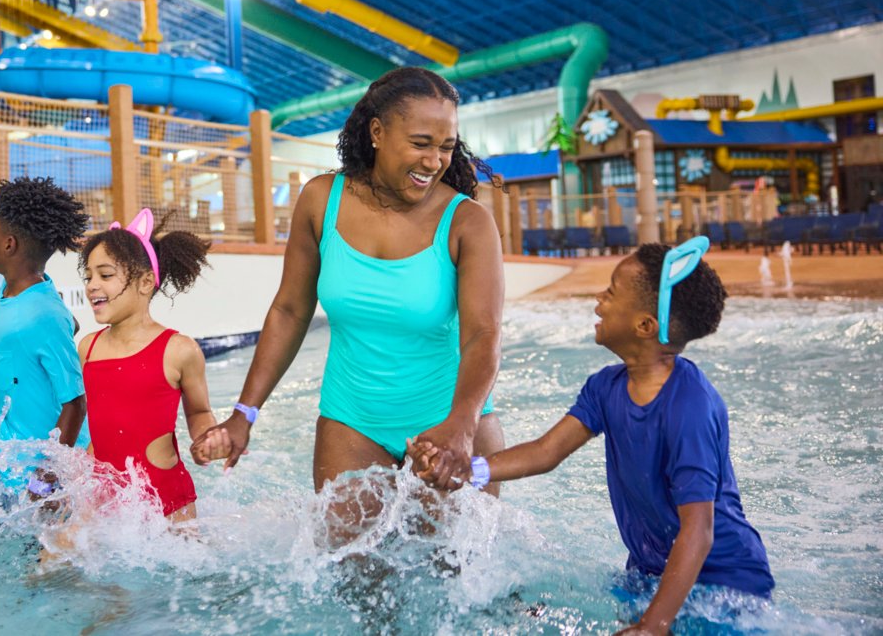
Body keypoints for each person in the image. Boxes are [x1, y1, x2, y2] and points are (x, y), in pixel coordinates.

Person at [191, 66, 506, 506]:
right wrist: (244, 413)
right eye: (420, 144)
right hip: (353, 420)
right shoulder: (322, 200)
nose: (434, 161)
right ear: (377, 132)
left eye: (446, 147)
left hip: (449, 422)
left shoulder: (468, 222)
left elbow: (484, 334)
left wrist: (463, 423)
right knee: (346, 572)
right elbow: (289, 311)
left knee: (452, 572)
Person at [458, 239, 773, 635]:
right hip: (648, 574)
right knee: (525, 607)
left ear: (645, 325)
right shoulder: (605, 387)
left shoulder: (689, 406)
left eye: (611, 291)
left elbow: (698, 529)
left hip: (725, 589)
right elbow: (545, 451)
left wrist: (653, 625)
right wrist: (470, 472)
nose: (598, 300)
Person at [77, 208, 225, 521]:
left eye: (105, 275)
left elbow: (198, 412)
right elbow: (102, 423)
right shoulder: (88, 348)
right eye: (88, 276)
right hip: (102, 495)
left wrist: (207, 439)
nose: (91, 285)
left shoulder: (178, 350)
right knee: (50, 568)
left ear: (145, 283)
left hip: (166, 499)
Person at [0, 176, 89, 449]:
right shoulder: (15, 287)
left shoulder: (42, 314)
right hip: (7, 441)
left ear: (9, 245)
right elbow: (70, 324)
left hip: (36, 456)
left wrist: (48, 475)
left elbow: (76, 404)